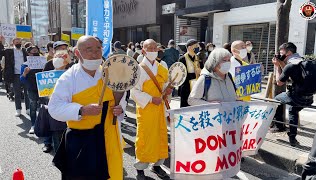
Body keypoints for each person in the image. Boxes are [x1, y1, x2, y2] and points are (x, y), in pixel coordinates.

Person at [48, 36, 126, 179]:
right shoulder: (68, 78)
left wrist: (120, 109)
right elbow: (54, 108)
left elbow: (120, 97)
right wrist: (81, 110)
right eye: (89, 49)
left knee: (113, 173)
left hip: (109, 137)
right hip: (82, 140)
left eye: (98, 49)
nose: (95, 53)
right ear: (77, 53)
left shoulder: (110, 73)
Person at [131, 39, 172, 180]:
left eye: (155, 48)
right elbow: (134, 92)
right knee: (145, 138)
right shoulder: (139, 69)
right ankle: (140, 169)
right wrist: (150, 99)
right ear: (143, 51)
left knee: (161, 136)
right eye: (150, 48)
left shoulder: (162, 68)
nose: (153, 51)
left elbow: (166, 88)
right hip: (146, 109)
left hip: (160, 108)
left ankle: (157, 165)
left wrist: (168, 91)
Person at [272, 42, 311, 147]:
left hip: (296, 97)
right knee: (293, 110)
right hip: (309, 98)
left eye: (281, 52)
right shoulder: (303, 61)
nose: (279, 55)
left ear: (288, 53)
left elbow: (279, 82)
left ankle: (278, 125)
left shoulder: (290, 65)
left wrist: (277, 67)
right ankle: (292, 138)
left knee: (276, 99)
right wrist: (281, 63)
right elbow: (289, 72)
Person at [0, 37, 30, 116]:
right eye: (16, 42)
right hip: (16, 74)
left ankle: (28, 109)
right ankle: (18, 109)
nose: (18, 44)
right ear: (13, 43)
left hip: (25, 74)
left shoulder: (25, 51)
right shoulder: (8, 51)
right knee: (17, 93)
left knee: (27, 92)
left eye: (19, 42)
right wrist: (1, 42)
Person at [20, 46, 42, 134]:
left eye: (37, 51)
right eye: (34, 52)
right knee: (33, 107)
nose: (36, 53)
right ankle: (33, 124)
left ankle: (43, 125)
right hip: (31, 88)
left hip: (43, 89)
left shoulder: (43, 62)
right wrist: (25, 73)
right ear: (29, 54)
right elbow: (21, 79)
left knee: (43, 107)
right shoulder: (25, 65)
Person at [178, 39, 202, 107]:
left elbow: (203, 70)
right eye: (196, 46)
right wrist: (194, 74)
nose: (198, 48)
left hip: (197, 87)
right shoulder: (182, 59)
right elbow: (181, 74)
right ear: (189, 47)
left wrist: (201, 71)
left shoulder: (198, 58)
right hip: (186, 87)